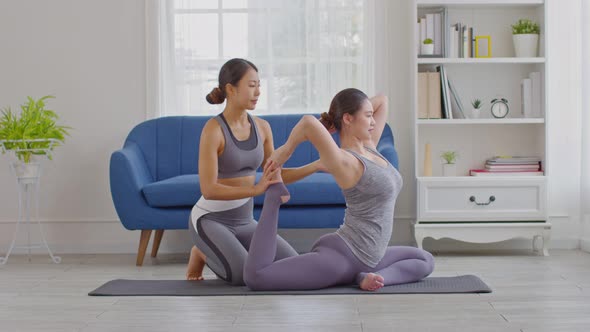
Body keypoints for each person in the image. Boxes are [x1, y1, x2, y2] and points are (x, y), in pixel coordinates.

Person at [243, 88, 435, 291]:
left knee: (425, 260)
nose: (373, 121)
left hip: (373, 257)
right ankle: (274, 198)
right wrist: (286, 149)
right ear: (348, 119)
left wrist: (347, 113)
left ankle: (375, 277)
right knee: (257, 277)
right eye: (367, 116)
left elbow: (382, 100)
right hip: (344, 256)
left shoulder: (369, 146)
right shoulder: (345, 160)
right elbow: (308, 122)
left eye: (372, 116)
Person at [187, 58, 323, 285]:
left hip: (244, 220)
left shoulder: (262, 127)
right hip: (210, 219)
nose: (258, 91)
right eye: (251, 85)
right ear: (230, 89)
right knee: (243, 277)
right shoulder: (213, 130)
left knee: (294, 263)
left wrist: (317, 166)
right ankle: (201, 252)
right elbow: (208, 189)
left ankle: (221, 250)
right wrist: (256, 189)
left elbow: (276, 173)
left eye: (259, 85)